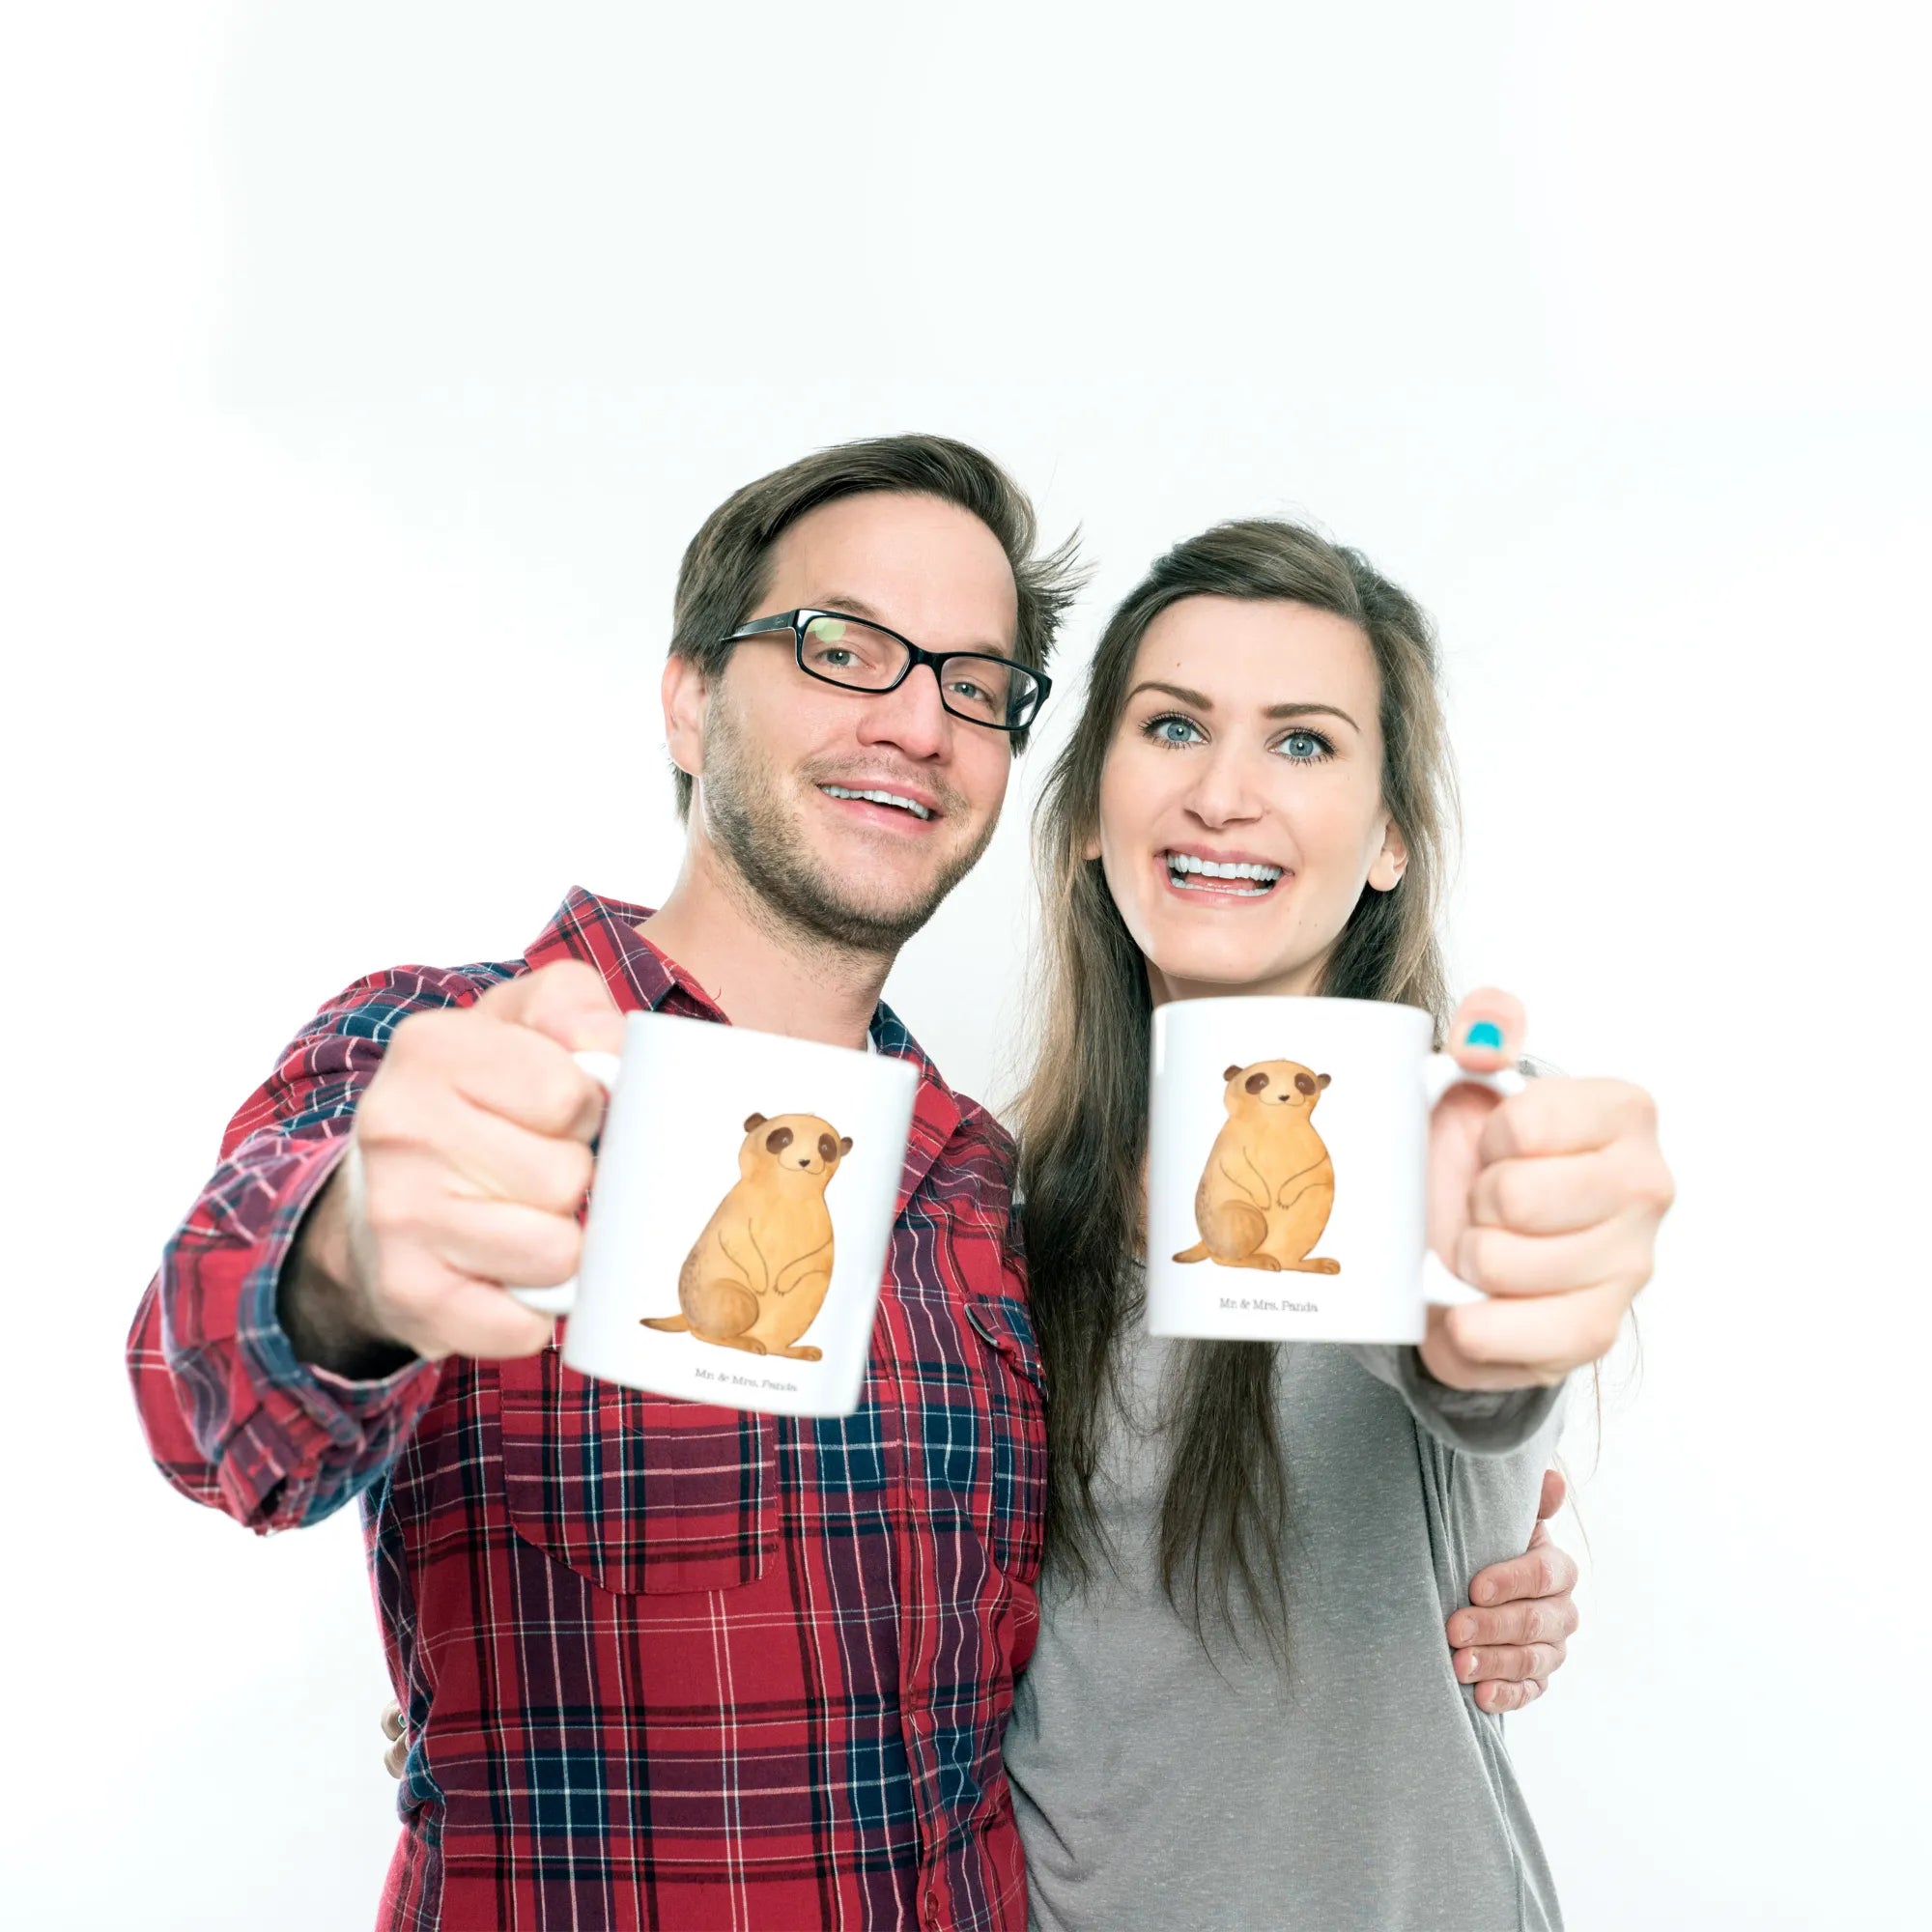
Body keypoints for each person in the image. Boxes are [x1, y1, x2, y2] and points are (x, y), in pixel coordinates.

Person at [129, 434, 1585, 1932]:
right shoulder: (455, 1057)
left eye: (973, 682)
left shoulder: (981, 1194)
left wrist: (1490, 1515)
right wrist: (349, 1265)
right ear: (690, 696)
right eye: (843, 648)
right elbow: (205, 1391)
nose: (915, 721)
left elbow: (1413, 1401)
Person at [1003, 519, 1673, 1930]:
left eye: (1302, 742)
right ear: (1087, 813)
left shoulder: (1447, 1143)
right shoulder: (994, 1207)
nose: (1224, 794)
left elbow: (1473, 1362)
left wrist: (1503, 1305)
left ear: (1388, 842)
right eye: (1173, 727)